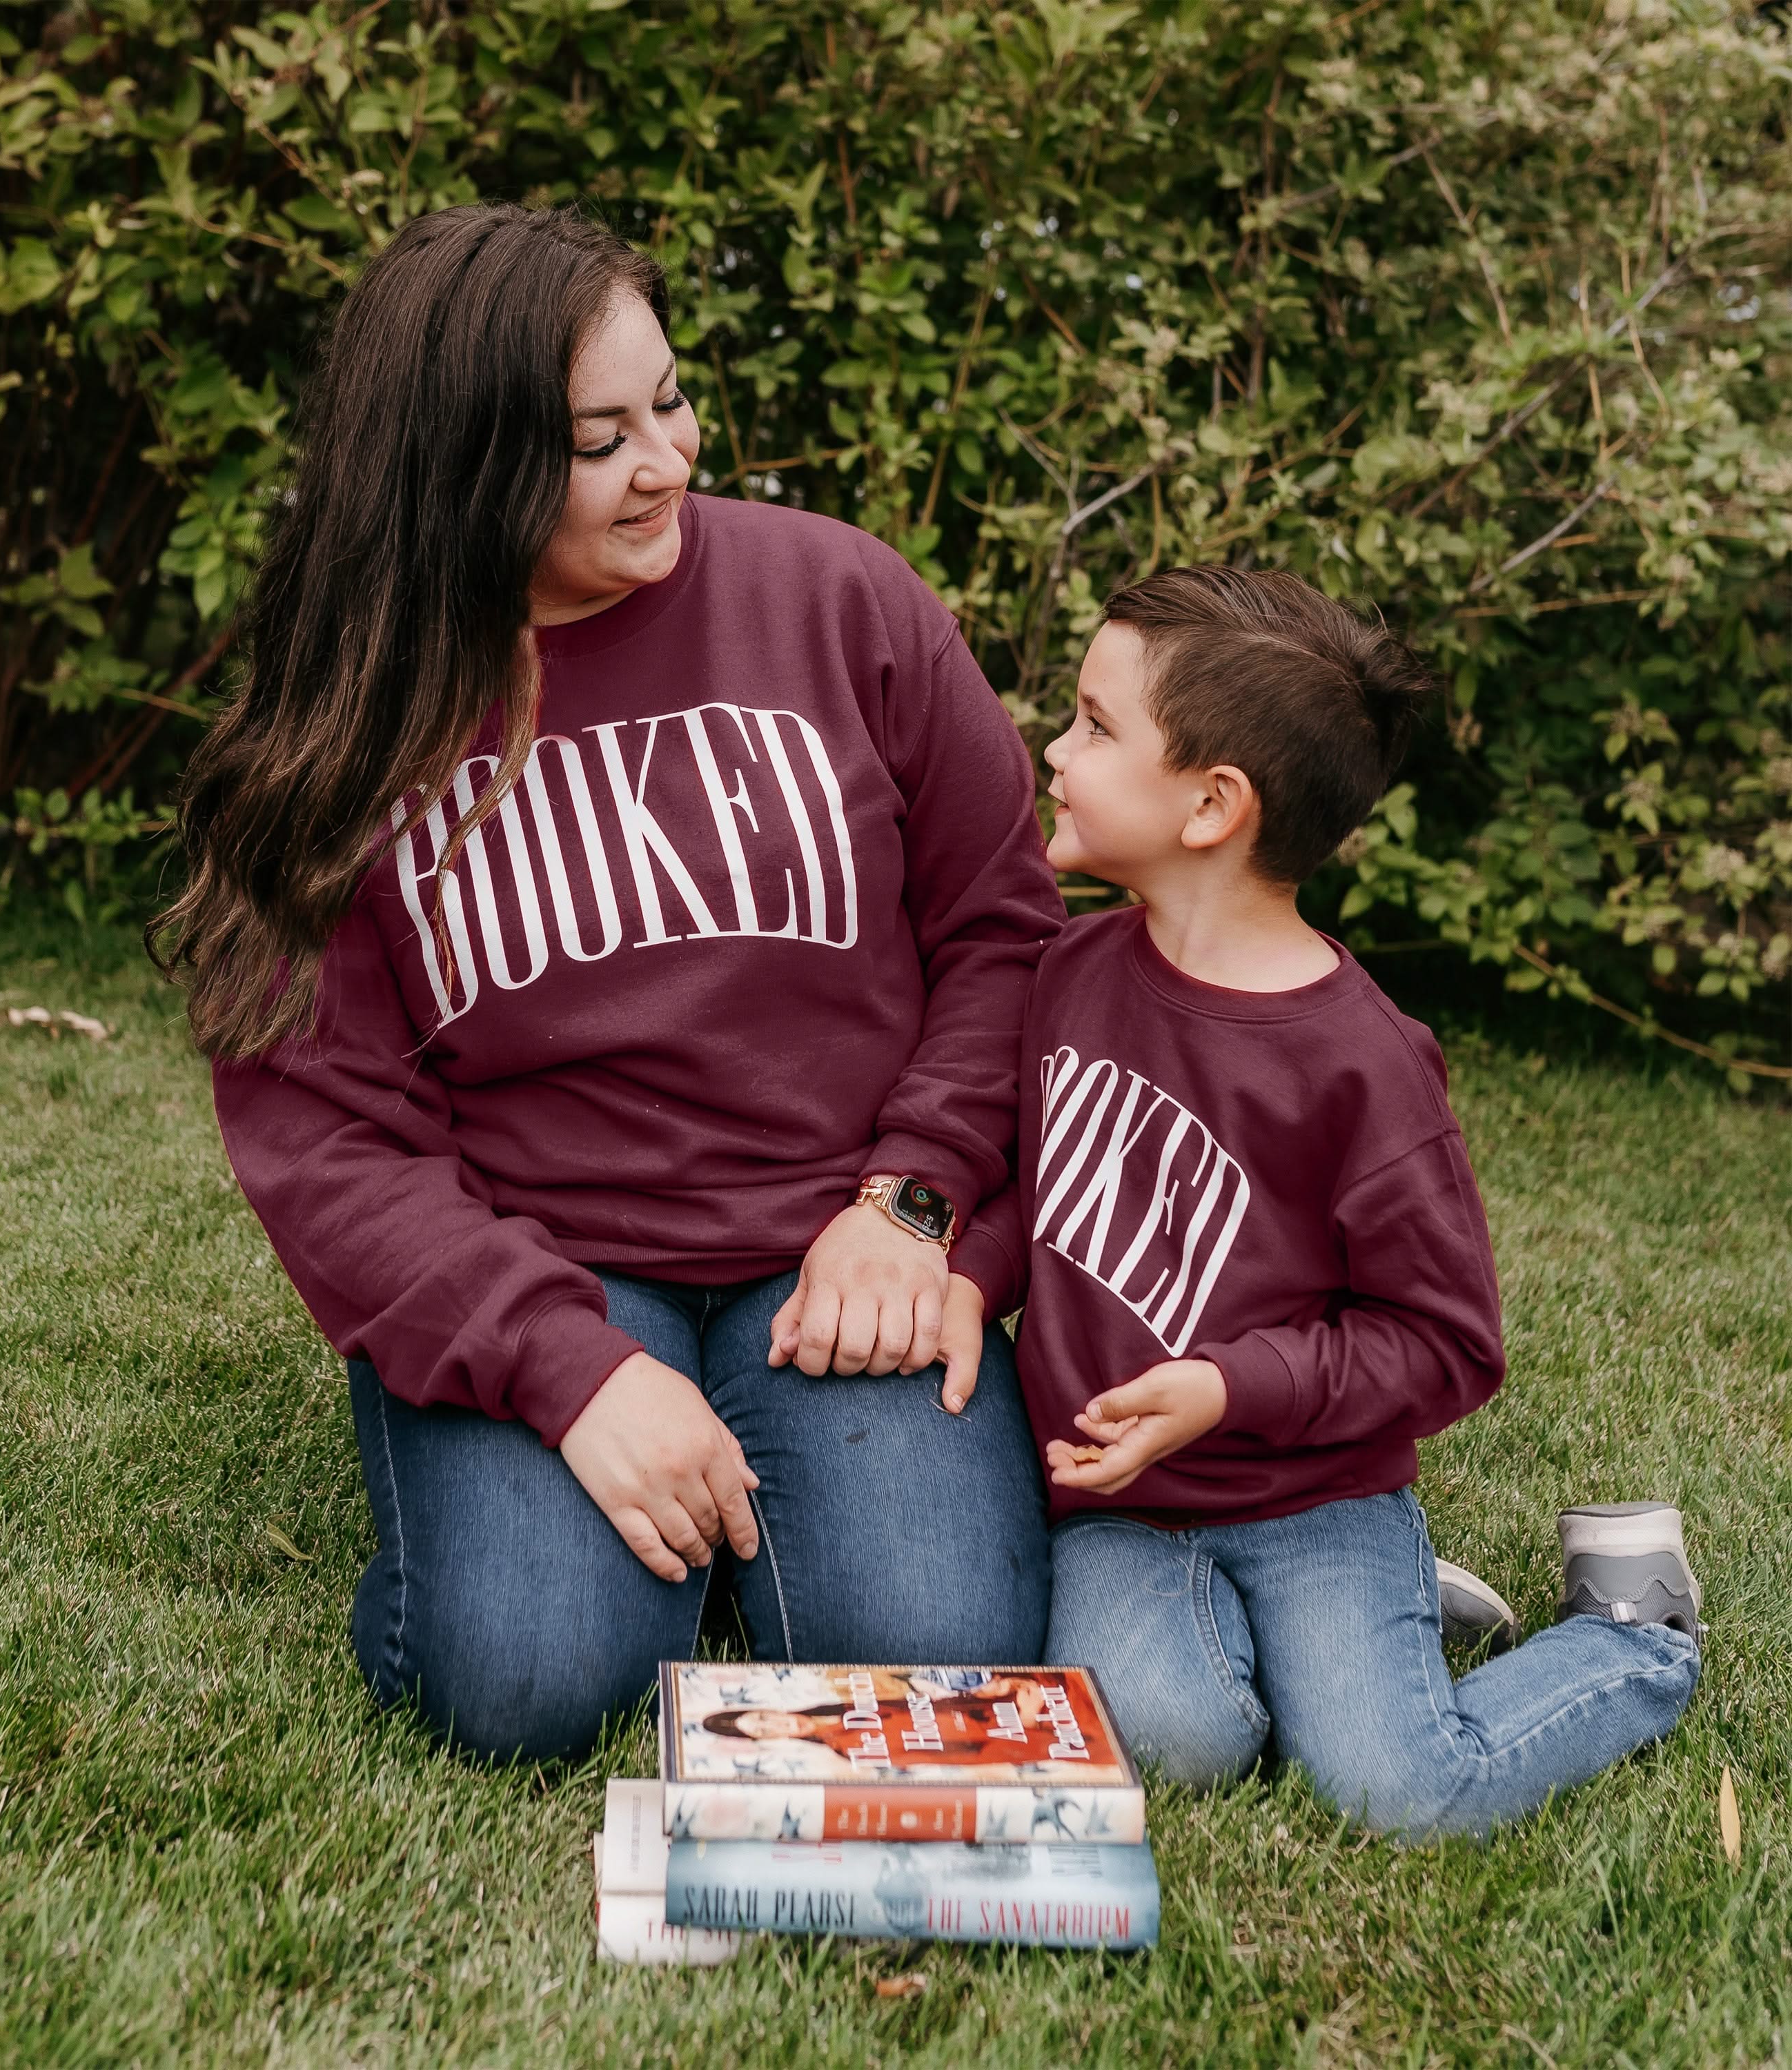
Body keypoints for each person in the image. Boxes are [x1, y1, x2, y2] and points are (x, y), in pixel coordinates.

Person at [147, 204, 1063, 1762]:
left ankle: (736, 1520)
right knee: (521, 1680)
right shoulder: (355, 716)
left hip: (831, 1251)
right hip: (545, 1257)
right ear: (463, 466)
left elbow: (1004, 934)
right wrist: (569, 1371)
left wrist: (916, 1203)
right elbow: (327, 1132)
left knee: (928, 1662)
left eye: (672, 402)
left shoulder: (844, 602)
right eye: (597, 440)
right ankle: (581, 1516)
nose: (667, 464)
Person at [941, 566, 1702, 1837]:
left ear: (1211, 805)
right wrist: (973, 1271)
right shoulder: (1070, 972)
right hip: (1117, 1509)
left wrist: (1228, 1390)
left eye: (1094, 725)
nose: (1054, 750)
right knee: (1179, 1744)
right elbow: (1044, 1184)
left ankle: (1633, 1634)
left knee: (1397, 1794)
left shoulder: (1365, 1066)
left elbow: (1446, 1344)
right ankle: (1376, 1630)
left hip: (1312, 1497)